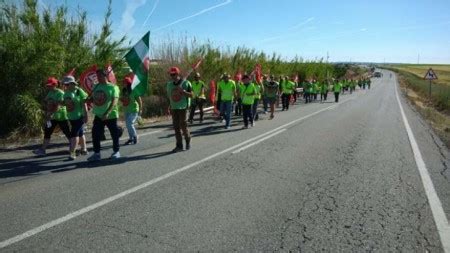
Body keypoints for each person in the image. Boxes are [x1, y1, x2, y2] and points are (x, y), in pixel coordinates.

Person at [87, 69, 121, 161]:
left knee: (114, 134)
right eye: (97, 76)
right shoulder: (96, 86)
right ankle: (97, 153)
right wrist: (88, 100)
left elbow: (114, 101)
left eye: (99, 76)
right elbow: (94, 99)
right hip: (98, 115)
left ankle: (116, 152)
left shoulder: (113, 87)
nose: (98, 78)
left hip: (110, 115)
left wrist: (107, 113)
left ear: (105, 76)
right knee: (95, 134)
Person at [33, 77, 71, 156]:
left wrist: (50, 114)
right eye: (48, 85)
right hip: (52, 116)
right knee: (47, 132)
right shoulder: (50, 92)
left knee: (67, 132)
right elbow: (46, 101)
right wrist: (46, 109)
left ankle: (73, 146)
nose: (49, 87)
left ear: (55, 85)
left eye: (50, 85)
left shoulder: (60, 93)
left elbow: (58, 105)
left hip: (61, 116)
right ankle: (42, 150)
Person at [62, 75, 89, 160]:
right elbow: (65, 103)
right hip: (71, 117)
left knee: (74, 134)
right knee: (80, 133)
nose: (65, 86)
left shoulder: (79, 91)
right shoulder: (66, 92)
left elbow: (84, 103)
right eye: (65, 84)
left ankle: (72, 153)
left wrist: (86, 115)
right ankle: (84, 149)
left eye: (67, 84)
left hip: (79, 116)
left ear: (72, 83)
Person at [166, 66, 193, 152]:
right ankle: (179, 145)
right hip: (174, 108)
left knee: (183, 126)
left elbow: (192, 95)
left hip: (183, 108)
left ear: (178, 74)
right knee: (176, 127)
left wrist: (183, 92)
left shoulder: (186, 83)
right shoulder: (169, 85)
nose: (172, 76)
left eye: (174, 74)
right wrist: (169, 106)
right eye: (171, 74)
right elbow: (170, 97)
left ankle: (188, 140)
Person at [120, 76, 143, 145]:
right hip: (126, 110)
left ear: (128, 83)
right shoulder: (123, 91)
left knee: (130, 124)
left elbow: (139, 100)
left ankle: (135, 136)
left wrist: (141, 109)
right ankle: (131, 138)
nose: (123, 84)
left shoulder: (134, 91)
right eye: (123, 82)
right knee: (128, 125)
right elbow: (123, 99)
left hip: (134, 110)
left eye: (125, 82)